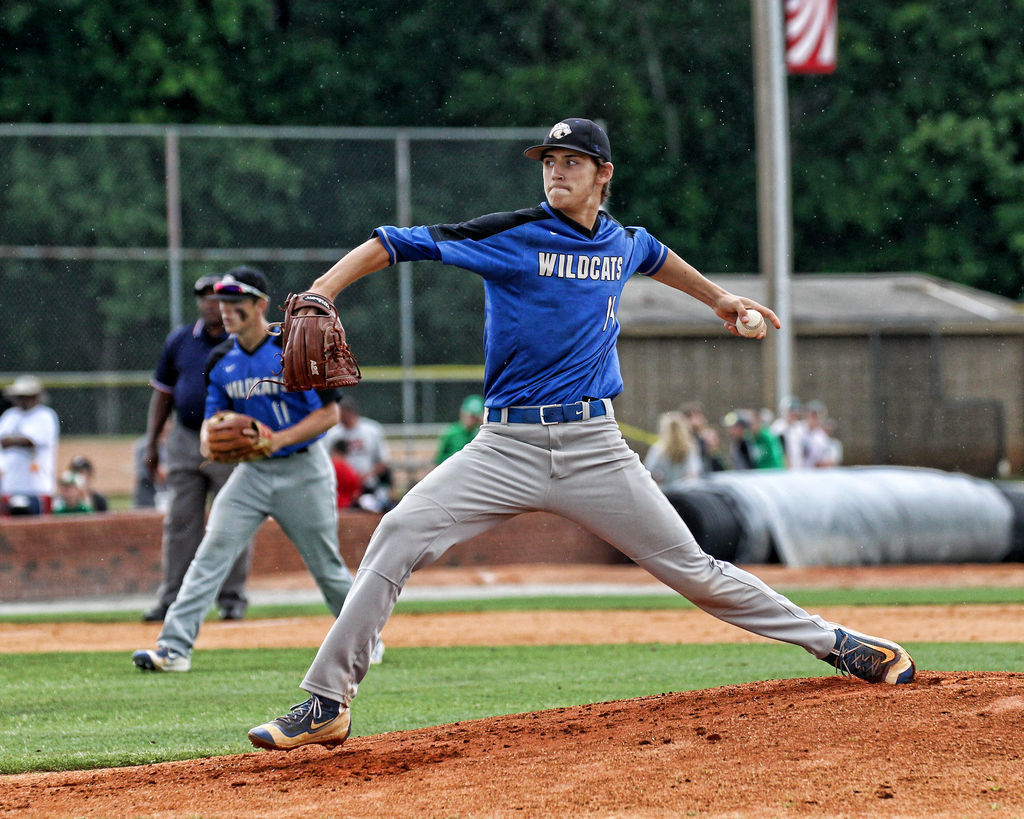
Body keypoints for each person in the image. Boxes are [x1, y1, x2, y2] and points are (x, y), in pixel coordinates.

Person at [248, 117, 914, 752]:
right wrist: (321, 290)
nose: (555, 173)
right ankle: (328, 701)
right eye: (549, 162)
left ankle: (835, 642)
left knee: (697, 571)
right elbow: (394, 241)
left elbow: (654, 253)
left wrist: (719, 301)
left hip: (596, 447)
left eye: (571, 163)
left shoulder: (621, 241)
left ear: (603, 174)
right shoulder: (512, 233)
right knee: (397, 532)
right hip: (503, 446)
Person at [132, 267, 379, 673]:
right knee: (210, 557)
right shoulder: (220, 358)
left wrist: (277, 439)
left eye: (236, 303)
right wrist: (214, 442)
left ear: (260, 305)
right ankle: (173, 648)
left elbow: (330, 414)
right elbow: (212, 427)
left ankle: (366, 642)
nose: (226, 310)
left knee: (326, 567)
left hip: (303, 469)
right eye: (222, 303)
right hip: (252, 472)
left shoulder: (291, 344)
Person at [140, 274, 253, 622]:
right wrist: (152, 444)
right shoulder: (180, 340)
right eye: (202, 296)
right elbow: (163, 394)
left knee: (232, 521)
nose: (208, 302)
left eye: (215, 296)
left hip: (229, 441)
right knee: (180, 523)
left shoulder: (244, 341)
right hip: (186, 439)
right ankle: (171, 598)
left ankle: (231, 598)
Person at [0, 375, 59, 516]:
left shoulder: (45, 416)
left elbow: (29, 441)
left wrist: (10, 441)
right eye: (19, 396)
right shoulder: (9, 416)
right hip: (10, 486)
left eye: (24, 396)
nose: (20, 400)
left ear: (35, 397)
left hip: (37, 489)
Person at [323, 398, 394, 512]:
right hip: (343, 487)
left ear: (352, 413)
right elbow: (327, 461)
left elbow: (383, 462)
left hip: (368, 485)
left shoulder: (371, 430)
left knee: (373, 506)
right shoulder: (333, 433)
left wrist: (364, 476)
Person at [644, 411, 702, 487]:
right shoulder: (690, 448)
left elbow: (649, 471)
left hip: (663, 493)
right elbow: (693, 473)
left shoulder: (658, 449)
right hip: (684, 494)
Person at [435, 394, 485, 464]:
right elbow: (439, 458)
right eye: (470, 415)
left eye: (474, 416)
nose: (471, 418)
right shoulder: (452, 432)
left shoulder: (481, 433)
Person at [330, 439, 363, 510]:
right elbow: (355, 494)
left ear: (334, 449)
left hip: (328, 504)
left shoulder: (327, 467)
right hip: (346, 506)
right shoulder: (350, 470)